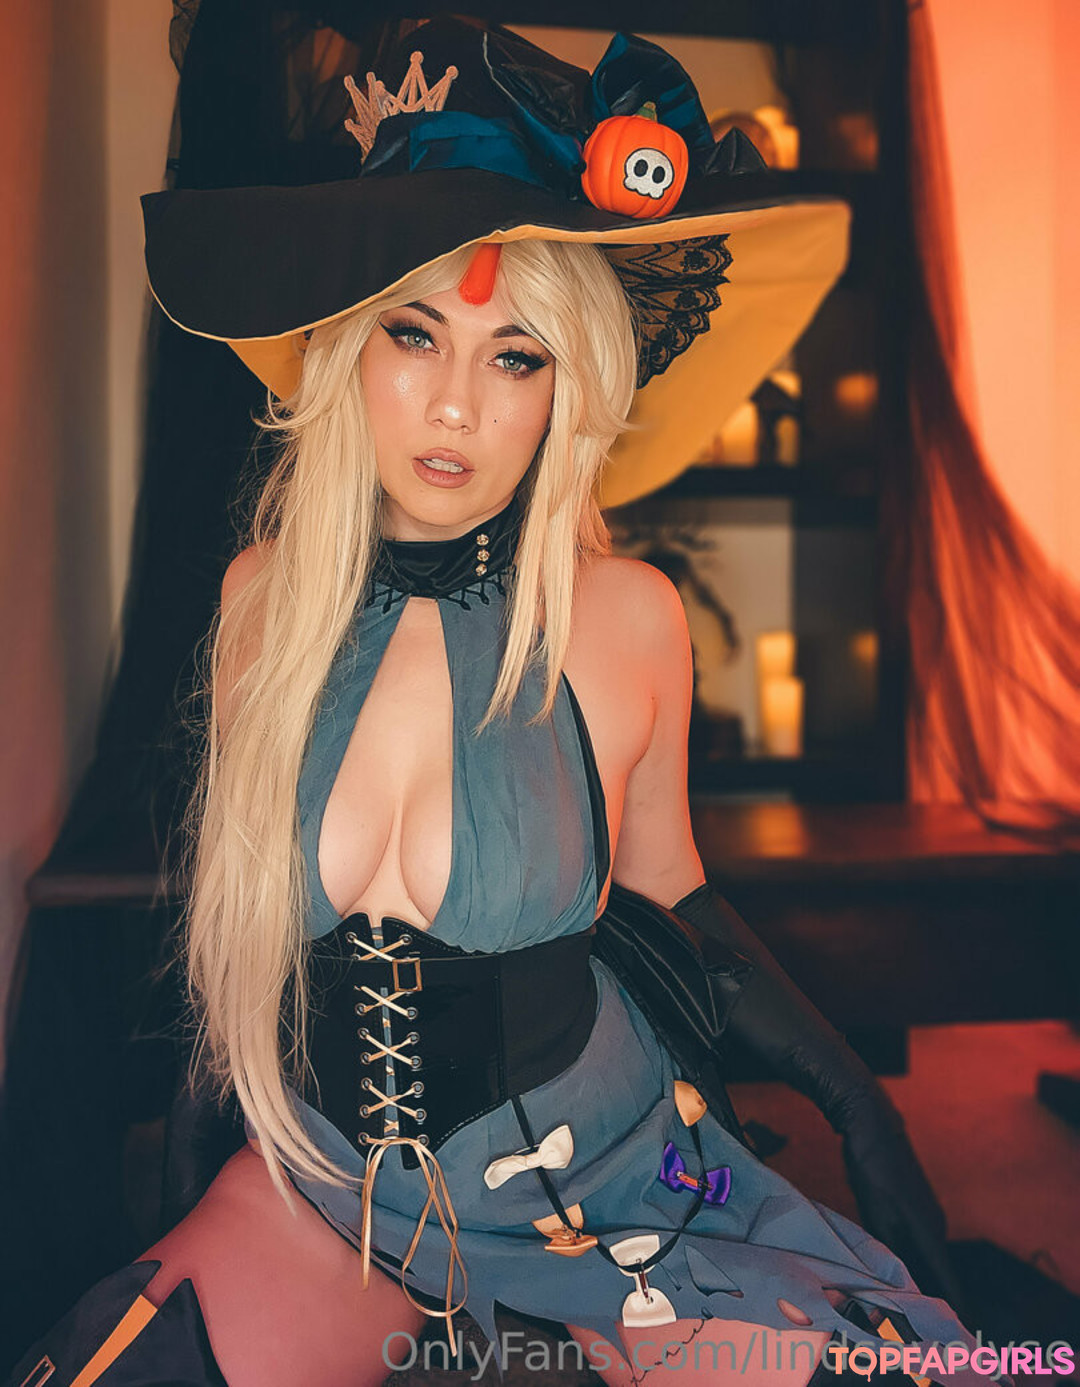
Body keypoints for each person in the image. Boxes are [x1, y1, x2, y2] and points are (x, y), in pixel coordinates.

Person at [8, 20, 996, 1387]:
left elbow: (672, 903)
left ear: (568, 391)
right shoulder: (259, 603)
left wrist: (853, 1095)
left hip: (604, 1188)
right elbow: (244, 920)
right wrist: (203, 1126)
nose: (456, 407)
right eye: (415, 334)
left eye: (516, 356)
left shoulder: (628, 619)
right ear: (347, 348)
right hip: (331, 1198)